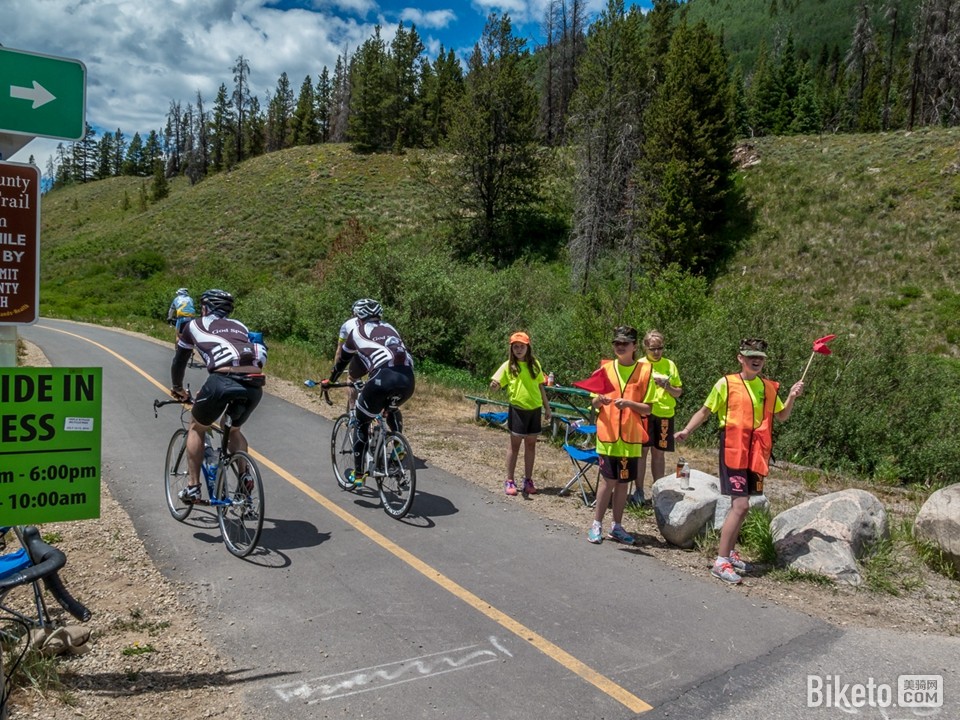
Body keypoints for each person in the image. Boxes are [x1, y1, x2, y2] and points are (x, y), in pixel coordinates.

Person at [674, 338, 804, 585]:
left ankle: (729, 551)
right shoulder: (726, 383)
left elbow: (782, 416)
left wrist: (791, 397)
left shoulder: (768, 387)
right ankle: (720, 561)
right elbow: (705, 411)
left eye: (761, 357)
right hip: (733, 448)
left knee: (744, 505)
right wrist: (687, 430)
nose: (756, 360)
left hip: (756, 452)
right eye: (751, 356)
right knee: (741, 505)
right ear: (740, 358)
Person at [169, 289, 267, 502]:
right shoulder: (240, 325)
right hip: (253, 384)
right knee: (232, 429)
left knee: (197, 426)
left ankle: (193, 487)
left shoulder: (193, 325)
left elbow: (180, 360)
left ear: (205, 307)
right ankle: (245, 476)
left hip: (221, 381)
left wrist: (177, 388)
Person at [321, 299, 415, 489]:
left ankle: (358, 475)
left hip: (382, 378)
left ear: (358, 316)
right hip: (408, 379)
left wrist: (331, 380)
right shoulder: (391, 328)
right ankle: (397, 442)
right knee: (391, 407)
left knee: (362, 421)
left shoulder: (356, 332)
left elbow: (342, 361)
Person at [584, 326, 652, 545]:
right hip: (608, 435)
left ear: (634, 346)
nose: (620, 347)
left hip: (631, 437)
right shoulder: (604, 368)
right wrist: (599, 401)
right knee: (607, 480)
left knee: (623, 483)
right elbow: (593, 401)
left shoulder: (645, 371)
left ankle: (617, 526)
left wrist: (630, 404)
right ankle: (596, 524)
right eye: (617, 343)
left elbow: (648, 408)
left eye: (625, 343)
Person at [489, 331, 553, 496]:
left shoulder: (535, 365)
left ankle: (528, 479)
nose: (518, 349)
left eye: (521, 346)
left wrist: (547, 407)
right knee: (515, 446)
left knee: (531, 445)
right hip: (518, 409)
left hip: (534, 409)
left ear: (527, 347)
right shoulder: (508, 366)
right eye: (515, 347)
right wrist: (494, 385)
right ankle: (509, 479)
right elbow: (496, 383)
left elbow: (541, 386)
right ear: (511, 349)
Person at [631, 330, 683, 506]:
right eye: (653, 348)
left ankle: (657, 491)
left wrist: (667, 385)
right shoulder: (639, 364)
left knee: (658, 454)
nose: (656, 352)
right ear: (645, 347)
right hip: (645, 412)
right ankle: (638, 490)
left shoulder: (670, 365)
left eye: (660, 348)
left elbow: (678, 392)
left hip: (665, 413)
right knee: (642, 452)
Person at [334, 301, 374, 412]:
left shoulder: (347, 325)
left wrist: (336, 370)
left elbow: (339, 350)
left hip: (359, 356)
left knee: (352, 378)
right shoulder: (379, 324)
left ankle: (352, 411)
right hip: (377, 357)